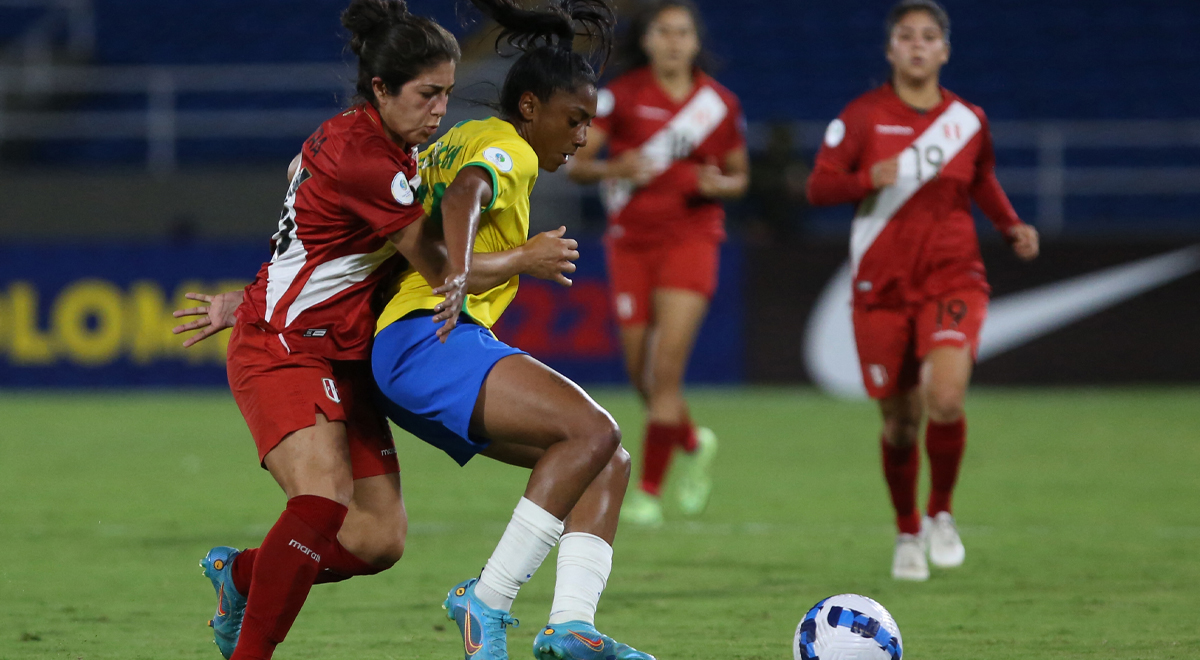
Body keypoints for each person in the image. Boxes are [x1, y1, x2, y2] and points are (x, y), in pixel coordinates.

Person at [367, 0, 653, 658]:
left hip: (412, 347)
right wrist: (500, 263)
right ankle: (487, 599)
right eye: (574, 119)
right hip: (427, 337)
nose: (581, 137)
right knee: (595, 430)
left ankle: (571, 625)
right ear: (530, 107)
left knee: (605, 462)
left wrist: (463, 269)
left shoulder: (461, 136)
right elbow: (468, 197)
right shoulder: (507, 150)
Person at [806, 0, 1040, 581]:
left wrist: (1009, 225)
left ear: (944, 50)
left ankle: (941, 515)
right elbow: (818, 188)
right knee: (901, 423)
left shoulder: (969, 120)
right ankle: (907, 529)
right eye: (905, 36)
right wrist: (867, 179)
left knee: (947, 399)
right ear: (890, 51)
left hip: (952, 276)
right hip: (882, 287)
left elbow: (981, 178)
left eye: (928, 36)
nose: (916, 45)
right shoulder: (861, 117)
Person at [566, 0, 748, 527]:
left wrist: (721, 185)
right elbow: (578, 166)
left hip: (692, 240)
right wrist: (615, 167)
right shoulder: (620, 97)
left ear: (695, 42)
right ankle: (693, 442)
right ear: (647, 40)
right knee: (641, 376)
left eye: (682, 32)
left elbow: (740, 176)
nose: (672, 41)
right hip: (631, 242)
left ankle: (647, 491)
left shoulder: (719, 104)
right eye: (663, 31)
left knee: (663, 374)